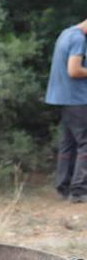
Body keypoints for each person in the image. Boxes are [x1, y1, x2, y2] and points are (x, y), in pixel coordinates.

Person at [45, 18, 87, 203]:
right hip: (78, 99)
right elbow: (74, 70)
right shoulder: (79, 39)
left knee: (68, 144)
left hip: (62, 98)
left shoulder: (66, 33)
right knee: (85, 144)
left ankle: (64, 187)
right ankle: (78, 191)